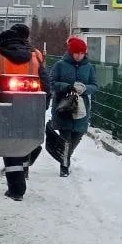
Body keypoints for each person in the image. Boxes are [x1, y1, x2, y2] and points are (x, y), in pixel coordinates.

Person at [0, 28, 51, 200]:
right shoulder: (35, 55)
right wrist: (44, 104)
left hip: (5, 104)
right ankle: (26, 164)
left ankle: (16, 189)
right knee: (26, 139)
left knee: (11, 145)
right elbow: (45, 82)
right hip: (31, 103)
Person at [49, 36, 98, 177]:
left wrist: (85, 88)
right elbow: (52, 83)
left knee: (77, 135)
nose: (79, 56)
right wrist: (67, 87)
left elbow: (95, 85)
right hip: (64, 106)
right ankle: (64, 166)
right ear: (71, 52)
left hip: (81, 108)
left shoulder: (89, 67)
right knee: (66, 137)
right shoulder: (60, 65)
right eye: (76, 53)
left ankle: (66, 156)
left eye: (82, 53)